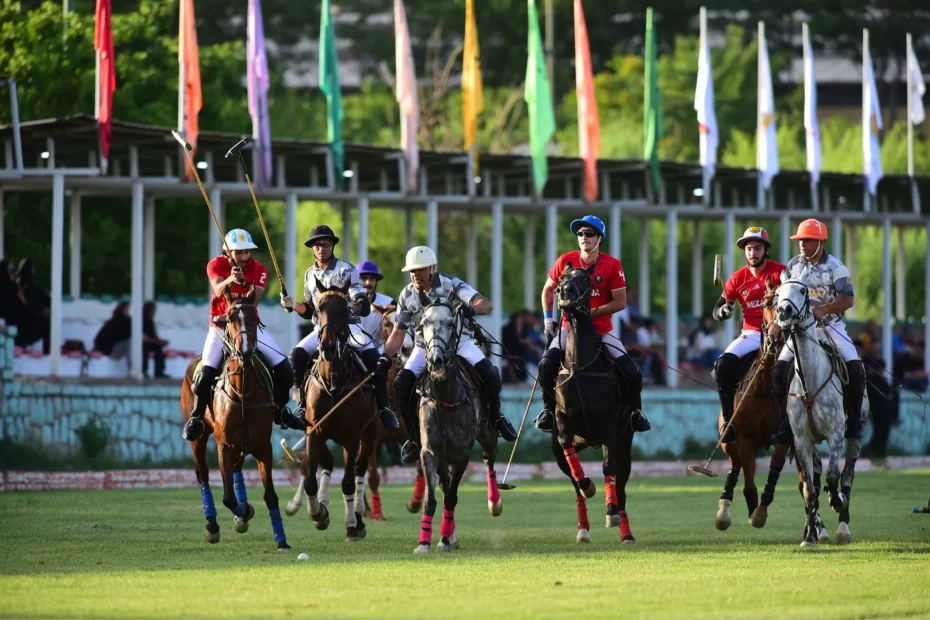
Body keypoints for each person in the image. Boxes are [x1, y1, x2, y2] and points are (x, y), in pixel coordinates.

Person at [382, 245, 519, 464]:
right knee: (400, 385)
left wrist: (470, 309)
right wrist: (384, 356)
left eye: (420, 269)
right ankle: (414, 439)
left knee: (490, 374)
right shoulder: (407, 294)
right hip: (423, 347)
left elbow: (485, 304)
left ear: (432, 268)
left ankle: (496, 418)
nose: (415, 274)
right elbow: (398, 333)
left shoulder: (451, 285)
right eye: (412, 270)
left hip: (459, 344)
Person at [182, 229, 305, 441]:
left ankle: (280, 409)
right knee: (205, 374)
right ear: (228, 252)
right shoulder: (215, 265)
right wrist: (231, 278)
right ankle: (197, 416)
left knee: (285, 368)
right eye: (238, 252)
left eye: (246, 252)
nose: (243, 256)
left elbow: (253, 302)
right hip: (221, 328)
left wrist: (243, 283)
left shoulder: (259, 269)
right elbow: (218, 290)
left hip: (248, 326)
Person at [533, 215, 651, 434]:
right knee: (546, 364)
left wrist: (591, 313)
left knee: (631, 371)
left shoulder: (612, 265)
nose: (583, 237)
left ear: (600, 238)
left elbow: (620, 302)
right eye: (580, 233)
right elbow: (548, 290)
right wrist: (548, 321)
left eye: (589, 234)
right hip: (568, 329)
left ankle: (635, 412)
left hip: (602, 330)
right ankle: (547, 411)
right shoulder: (565, 260)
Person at [281, 225, 398, 431]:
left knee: (375, 359)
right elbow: (311, 310)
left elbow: (362, 303)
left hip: (349, 327)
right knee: (296, 356)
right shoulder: (309, 274)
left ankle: (384, 409)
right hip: (321, 329)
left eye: (325, 243)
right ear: (312, 248)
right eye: (317, 245)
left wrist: (352, 306)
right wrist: (294, 305)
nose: (321, 248)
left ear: (332, 245)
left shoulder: (346, 269)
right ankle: (301, 406)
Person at [771, 219, 866, 443]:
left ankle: (853, 421)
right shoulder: (793, 265)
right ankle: (786, 422)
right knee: (777, 371)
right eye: (800, 240)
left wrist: (824, 309)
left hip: (830, 327)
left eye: (808, 240)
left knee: (855, 367)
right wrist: (776, 321)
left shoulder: (836, 267)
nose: (802, 244)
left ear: (821, 242)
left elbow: (848, 300)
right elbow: (781, 297)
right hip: (801, 331)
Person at [710, 226, 785, 442]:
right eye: (749, 249)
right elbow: (718, 308)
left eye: (758, 248)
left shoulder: (780, 272)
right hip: (752, 334)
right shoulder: (737, 278)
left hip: (781, 332)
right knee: (722, 367)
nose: (753, 253)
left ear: (766, 250)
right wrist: (723, 312)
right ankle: (728, 422)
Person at [355, 260, 396, 353]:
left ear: (376, 281)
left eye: (372, 279)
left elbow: (397, 333)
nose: (368, 283)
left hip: (379, 351)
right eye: (363, 278)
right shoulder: (346, 303)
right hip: (351, 351)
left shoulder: (389, 302)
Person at [14, 259, 51, 354]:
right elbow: (32, 304)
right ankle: (47, 352)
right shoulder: (25, 287)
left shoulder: (19, 284)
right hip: (25, 326)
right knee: (48, 323)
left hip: (23, 323)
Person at [142, 301, 168, 378]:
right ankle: (143, 371)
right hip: (142, 344)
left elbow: (153, 336)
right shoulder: (142, 321)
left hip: (149, 343)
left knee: (158, 348)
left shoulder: (150, 322)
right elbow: (143, 338)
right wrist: (157, 341)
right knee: (144, 349)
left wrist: (160, 341)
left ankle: (159, 372)